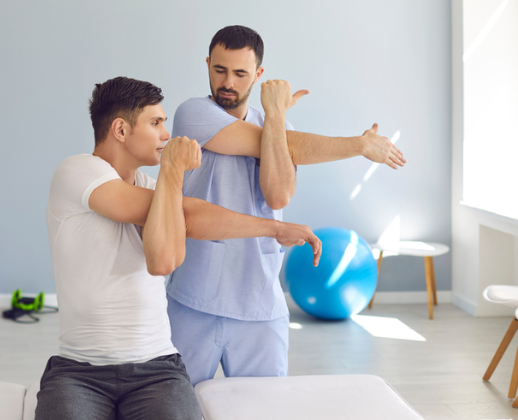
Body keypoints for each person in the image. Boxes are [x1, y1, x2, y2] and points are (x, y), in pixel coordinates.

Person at [37, 76, 322, 420]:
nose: (166, 134)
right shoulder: (78, 171)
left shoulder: (152, 187)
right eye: (156, 123)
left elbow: (179, 236)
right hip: (78, 373)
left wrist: (275, 228)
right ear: (120, 130)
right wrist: (173, 171)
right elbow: (182, 220)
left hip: (156, 369)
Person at [167, 25, 407, 385]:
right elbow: (288, 146)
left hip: (260, 300)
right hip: (194, 297)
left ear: (259, 75)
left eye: (240, 73)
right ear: (207, 64)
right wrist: (358, 145)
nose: (227, 82)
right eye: (219, 70)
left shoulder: (278, 126)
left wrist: (276, 116)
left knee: (266, 406)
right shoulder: (192, 115)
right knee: (177, 405)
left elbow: (278, 196)